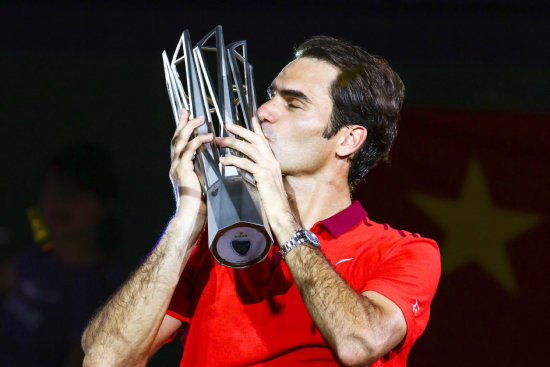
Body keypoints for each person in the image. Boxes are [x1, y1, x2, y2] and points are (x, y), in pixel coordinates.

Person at [82, 36, 440, 366]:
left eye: (295, 104)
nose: (264, 111)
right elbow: (103, 359)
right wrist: (187, 217)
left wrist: (283, 220)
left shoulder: (400, 251)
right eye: (271, 96)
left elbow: (358, 344)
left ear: (347, 140)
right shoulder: (216, 243)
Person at [0, 142, 123, 367]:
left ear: (105, 205)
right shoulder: (37, 256)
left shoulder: (106, 291)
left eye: (74, 192)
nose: (59, 200)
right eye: (52, 188)